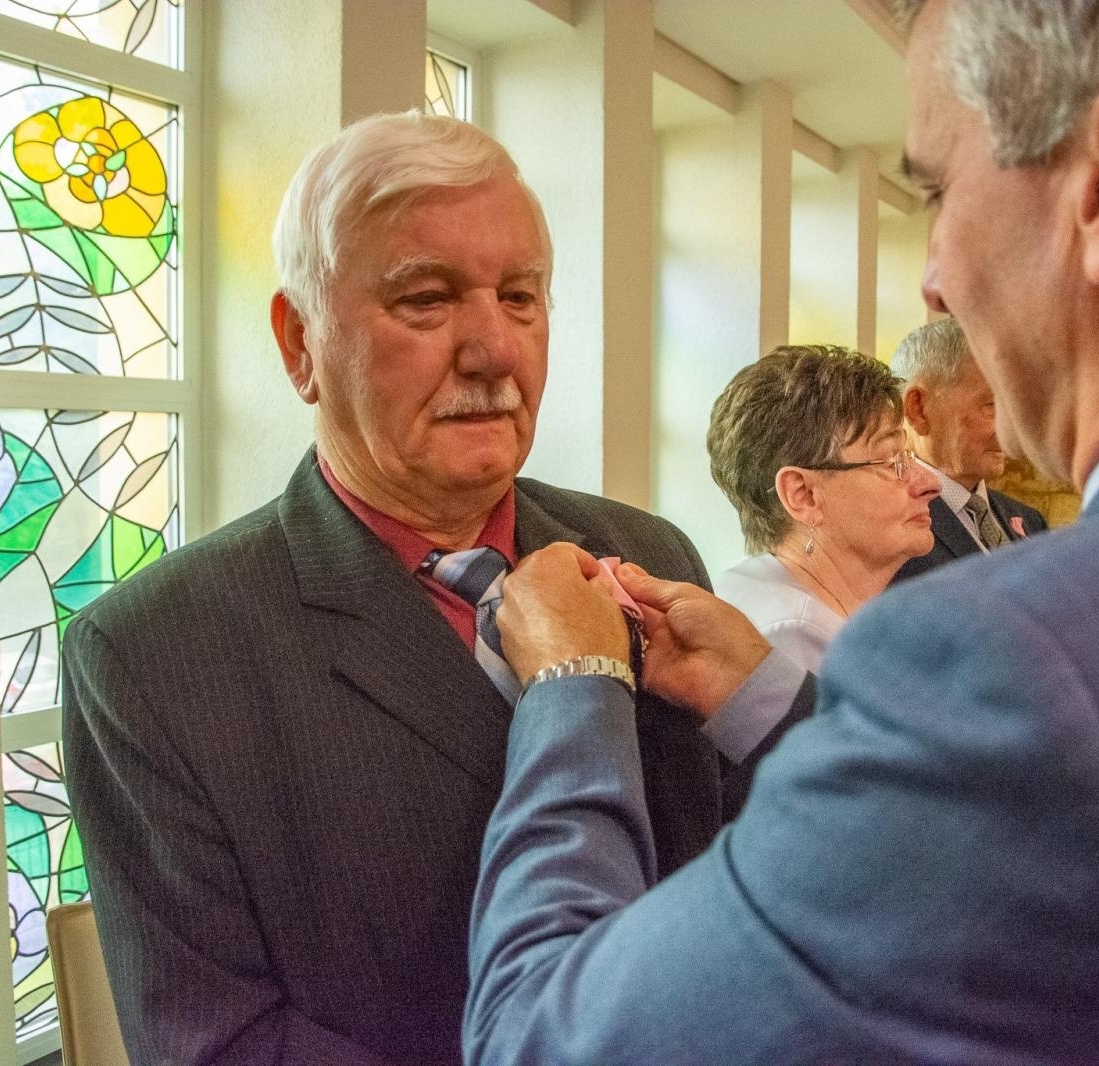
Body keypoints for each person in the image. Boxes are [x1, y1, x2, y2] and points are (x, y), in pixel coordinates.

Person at [464, 0, 1099, 1061]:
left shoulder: (1024, 660)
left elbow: (542, 1041)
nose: (932, 275)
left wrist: (570, 691)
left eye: (938, 188)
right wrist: (769, 700)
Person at [61, 112, 769, 1066]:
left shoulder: (646, 548)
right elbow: (220, 1041)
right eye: (426, 301)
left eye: (521, 297)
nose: (493, 352)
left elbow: (752, 885)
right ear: (299, 341)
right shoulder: (155, 653)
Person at [708, 345, 939, 672]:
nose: (930, 483)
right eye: (892, 462)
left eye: (909, 456)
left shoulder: (769, 589)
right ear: (803, 495)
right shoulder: (792, 636)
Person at [888, 318, 1046, 582]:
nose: (1011, 430)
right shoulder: (890, 532)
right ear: (918, 409)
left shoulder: (1029, 521)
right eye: (992, 406)